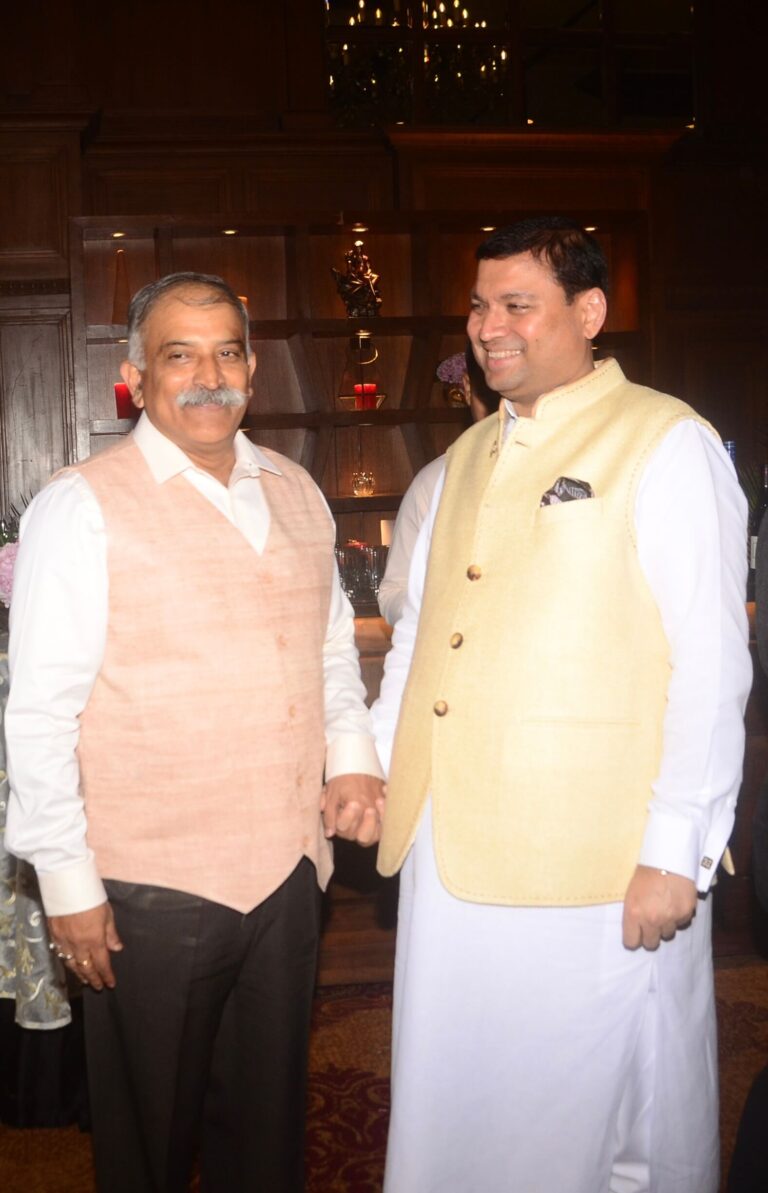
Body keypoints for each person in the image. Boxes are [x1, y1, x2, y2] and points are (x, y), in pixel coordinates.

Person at [371, 217, 752, 1193]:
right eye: (478, 304)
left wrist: (678, 847)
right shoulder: (460, 459)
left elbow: (710, 661)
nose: (488, 326)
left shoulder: (667, 440)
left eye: (517, 304)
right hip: (448, 847)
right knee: (456, 1094)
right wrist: (378, 768)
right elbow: (418, 636)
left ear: (589, 312)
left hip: (597, 855)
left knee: (591, 1112)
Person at [4, 272, 384, 1193]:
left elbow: (331, 650)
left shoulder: (297, 488)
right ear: (137, 375)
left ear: (252, 369)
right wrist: (66, 882)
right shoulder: (82, 502)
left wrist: (353, 760)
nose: (206, 375)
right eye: (180, 354)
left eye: (225, 352)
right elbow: (38, 711)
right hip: (148, 890)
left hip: (291, 873)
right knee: (149, 1146)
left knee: (267, 1133)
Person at [377, 344, 499, 625]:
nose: (503, 405)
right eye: (488, 390)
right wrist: (440, 616)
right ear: (467, 387)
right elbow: (394, 591)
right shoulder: (434, 482)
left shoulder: (567, 471)